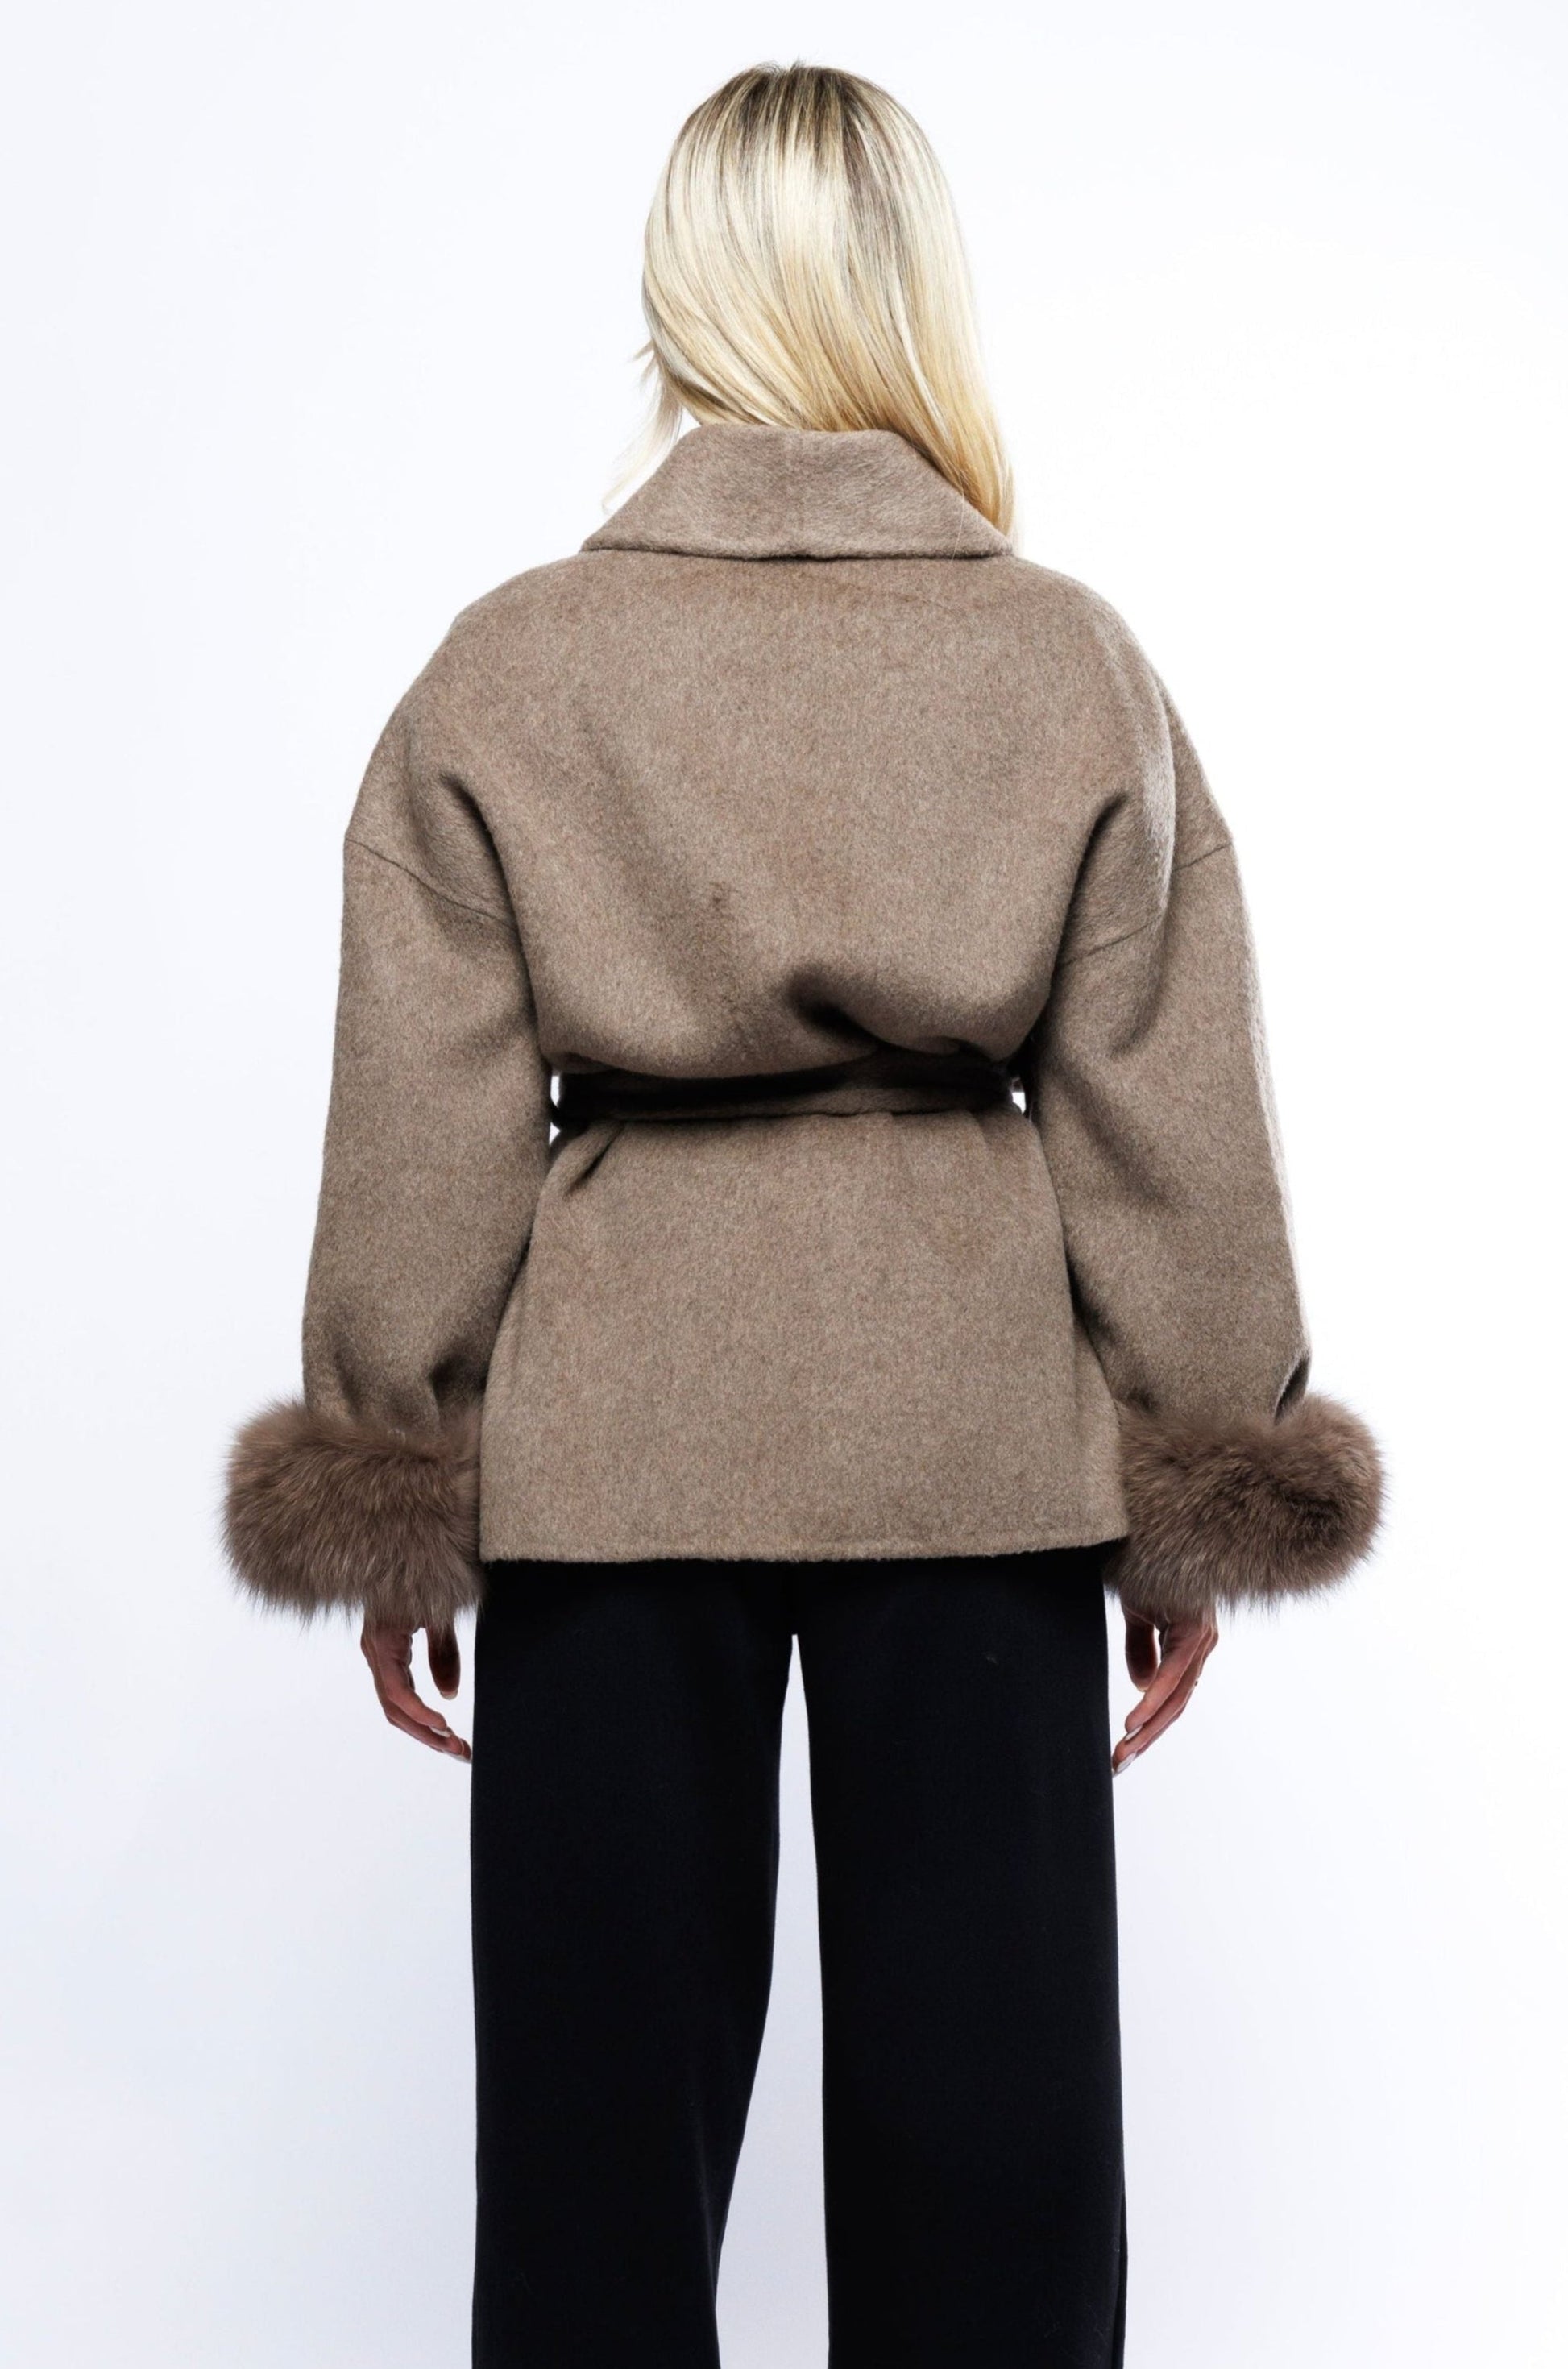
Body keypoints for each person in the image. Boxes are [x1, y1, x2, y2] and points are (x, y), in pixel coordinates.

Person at [222, 60, 1383, 2369]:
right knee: (998, 2198)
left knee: (593, 2193)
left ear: (682, 297)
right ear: (911, 292)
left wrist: (396, 1461)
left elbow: (425, 1114)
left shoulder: (513, 666)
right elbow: (1163, 1104)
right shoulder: (1061, 659)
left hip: (614, 1445)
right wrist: (1199, 1458)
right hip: (970, 1440)